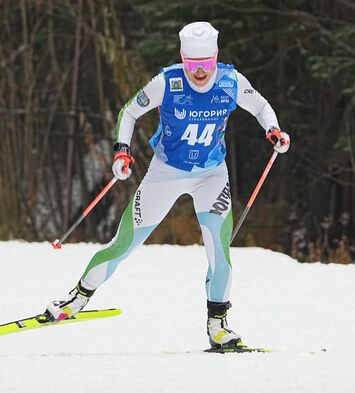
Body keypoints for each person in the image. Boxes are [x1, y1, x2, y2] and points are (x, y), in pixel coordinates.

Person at [43, 21, 290, 349]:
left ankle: (218, 324)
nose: (199, 73)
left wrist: (273, 130)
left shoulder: (231, 81)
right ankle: (76, 299)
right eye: (192, 65)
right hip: (166, 172)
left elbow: (259, 106)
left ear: (215, 58)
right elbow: (129, 113)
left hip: (211, 175)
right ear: (182, 58)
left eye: (206, 65)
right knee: (123, 243)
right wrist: (122, 152)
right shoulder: (167, 82)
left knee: (220, 249)